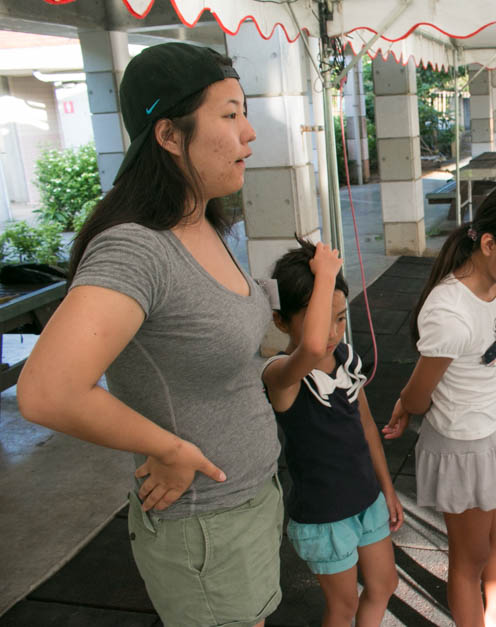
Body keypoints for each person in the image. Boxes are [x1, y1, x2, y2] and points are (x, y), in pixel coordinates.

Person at [16, 43, 284, 626]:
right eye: (231, 114)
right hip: (204, 526)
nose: (250, 133)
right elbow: (47, 391)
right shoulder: (135, 247)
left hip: (249, 503)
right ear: (168, 135)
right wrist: (168, 447)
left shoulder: (205, 221)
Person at [382, 177, 496, 626]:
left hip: (487, 429)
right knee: (470, 557)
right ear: (489, 244)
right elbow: (424, 392)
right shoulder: (449, 313)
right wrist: (407, 404)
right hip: (462, 445)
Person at [263, 239, 402, 626]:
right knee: (343, 608)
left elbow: (367, 425)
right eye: (319, 319)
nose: (333, 332)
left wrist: (387, 489)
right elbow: (307, 350)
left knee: (384, 584)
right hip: (325, 518)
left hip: (366, 499)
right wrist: (324, 275)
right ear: (280, 320)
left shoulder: (346, 361)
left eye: (340, 318)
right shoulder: (281, 376)